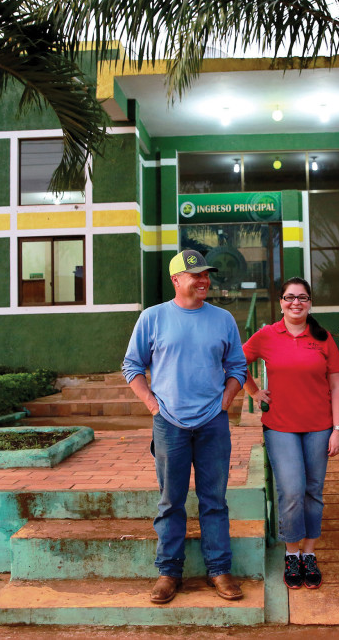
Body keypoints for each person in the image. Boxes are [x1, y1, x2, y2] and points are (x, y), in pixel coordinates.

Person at [122, 249, 248, 605]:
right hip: (170, 425)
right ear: (176, 279)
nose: (204, 280)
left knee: (214, 501)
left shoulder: (223, 319)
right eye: (196, 275)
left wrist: (225, 401)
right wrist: (151, 403)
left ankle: (220, 570)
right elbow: (132, 365)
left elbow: (237, 366)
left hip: (212, 423)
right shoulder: (153, 317)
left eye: (206, 275)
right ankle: (168, 573)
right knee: (170, 501)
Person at [242, 277, 339, 590]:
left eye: (302, 297)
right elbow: (235, 363)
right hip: (281, 426)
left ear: (310, 302)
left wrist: (338, 429)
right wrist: (254, 392)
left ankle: (309, 554)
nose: (295, 303)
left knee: (313, 490)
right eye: (289, 298)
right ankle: (291, 553)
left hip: (319, 426)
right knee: (292, 489)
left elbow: (337, 385)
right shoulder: (267, 335)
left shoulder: (323, 337)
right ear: (281, 302)